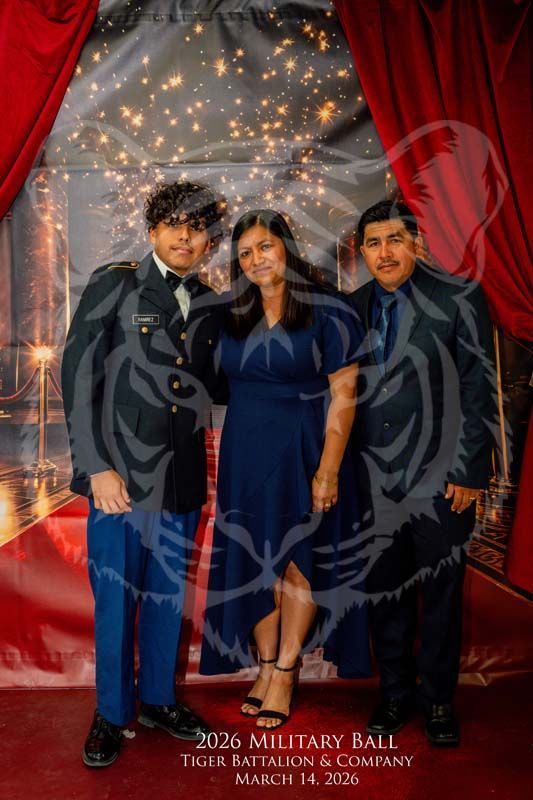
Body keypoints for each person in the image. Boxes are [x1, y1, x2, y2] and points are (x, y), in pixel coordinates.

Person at [61, 181, 227, 767]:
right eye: (174, 224)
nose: (186, 235)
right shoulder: (116, 282)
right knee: (115, 603)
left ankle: (158, 699)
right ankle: (110, 712)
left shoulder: (210, 303)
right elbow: (78, 376)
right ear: (154, 230)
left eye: (198, 226)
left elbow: (214, 386)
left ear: (208, 239)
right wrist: (95, 467)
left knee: (165, 599)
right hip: (121, 486)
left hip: (180, 482)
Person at [199, 209, 370, 729]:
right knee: (255, 564)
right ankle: (266, 664)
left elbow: (344, 394)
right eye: (245, 253)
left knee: (298, 561)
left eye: (265, 247)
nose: (255, 260)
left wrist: (328, 470)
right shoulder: (230, 313)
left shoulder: (329, 309)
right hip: (245, 451)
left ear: (287, 248)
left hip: (306, 445)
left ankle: (288, 669)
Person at [349, 199, 496, 746]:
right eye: (373, 243)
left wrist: (470, 472)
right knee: (383, 589)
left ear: (416, 241)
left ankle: (437, 700)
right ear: (361, 252)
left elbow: (480, 389)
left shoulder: (459, 297)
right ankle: (393, 693)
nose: (384, 253)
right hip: (370, 481)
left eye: (394, 240)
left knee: (440, 591)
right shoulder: (351, 307)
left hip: (443, 479)